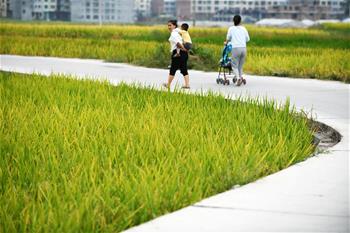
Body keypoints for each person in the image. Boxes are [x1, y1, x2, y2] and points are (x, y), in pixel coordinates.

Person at [163, 20, 190, 89]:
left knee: (173, 68)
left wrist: (183, 48)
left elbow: (178, 43)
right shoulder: (178, 32)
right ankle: (187, 85)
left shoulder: (174, 34)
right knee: (184, 68)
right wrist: (186, 50)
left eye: (170, 25)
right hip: (184, 53)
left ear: (174, 26)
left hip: (178, 53)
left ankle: (168, 84)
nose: (169, 27)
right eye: (168, 25)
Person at [225, 15, 250, 86]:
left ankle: (238, 78)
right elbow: (248, 39)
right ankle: (240, 77)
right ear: (240, 21)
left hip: (235, 48)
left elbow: (228, 38)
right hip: (244, 48)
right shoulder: (244, 29)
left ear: (233, 21)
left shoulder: (231, 29)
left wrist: (226, 42)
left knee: (234, 66)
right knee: (240, 66)